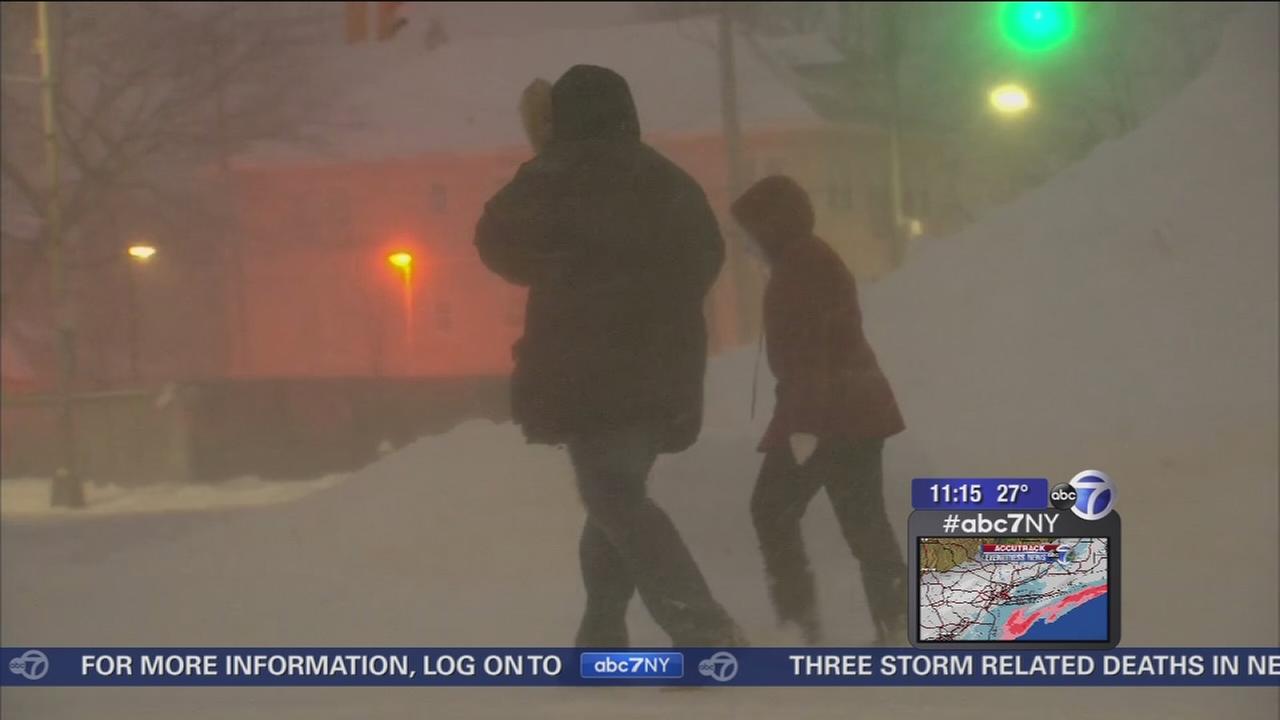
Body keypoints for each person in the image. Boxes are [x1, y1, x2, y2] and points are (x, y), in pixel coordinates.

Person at [475, 65, 741, 648]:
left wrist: (560, 271)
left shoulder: (555, 174)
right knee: (616, 499)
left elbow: (494, 239)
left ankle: (704, 629)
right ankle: (600, 636)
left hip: (587, 373)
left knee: (613, 499)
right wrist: (649, 299)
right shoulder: (667, 179)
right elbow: (705, 259)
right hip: (664, 370)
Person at [730, 174, 908, 646]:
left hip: (830, 416)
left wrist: (803, 428)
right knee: (864, 521)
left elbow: (810, 356)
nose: (746, 244)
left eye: (749, 232)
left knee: (771, 509)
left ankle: (798, 623)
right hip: (855, 409)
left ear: (770, 227)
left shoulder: (800, 269)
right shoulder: (808, 258)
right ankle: (895, 624)